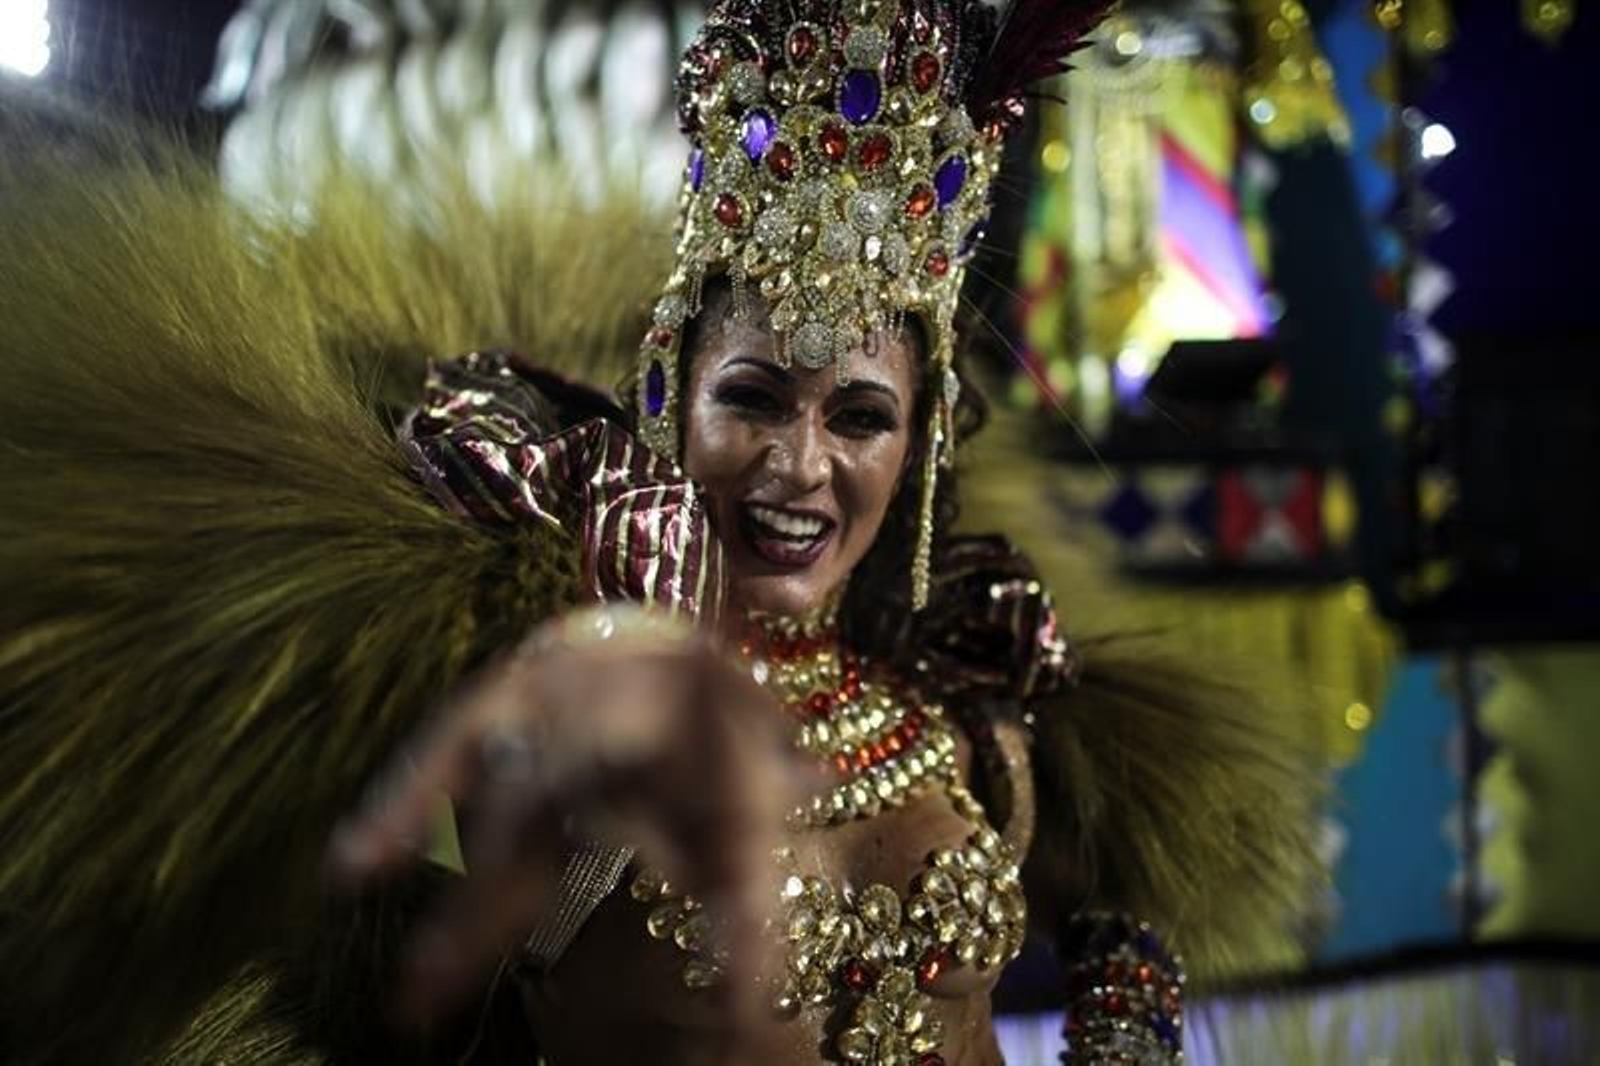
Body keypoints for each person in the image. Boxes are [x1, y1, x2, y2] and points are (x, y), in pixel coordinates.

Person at [0, 1, 1321, 1062]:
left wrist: (1127, 1032)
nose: (800, 465)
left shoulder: (969, 712)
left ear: (919, 445)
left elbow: (1127, 899)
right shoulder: (549, 715)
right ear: (666, 407)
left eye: (858, 414)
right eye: (752, 397)